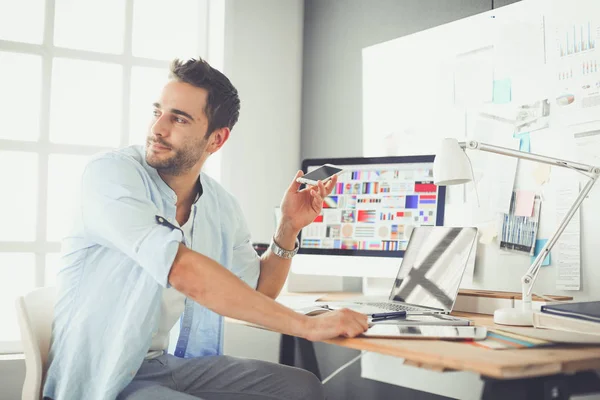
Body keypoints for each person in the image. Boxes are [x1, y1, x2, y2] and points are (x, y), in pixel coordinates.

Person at [43, 57, 368, 400]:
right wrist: (306, 325)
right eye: (158, 112)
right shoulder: (110, 176)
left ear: (216, 139)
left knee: (302, 387)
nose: (158, 128)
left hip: (159, 366)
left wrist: (288, 227)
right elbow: (181, 269)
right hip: (99, 378)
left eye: (179, 118)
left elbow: (259, 291)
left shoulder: (219, 204)